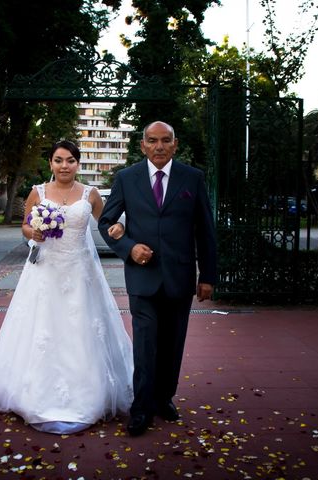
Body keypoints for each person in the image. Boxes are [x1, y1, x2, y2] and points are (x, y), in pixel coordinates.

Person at [0, 140, 133, 434]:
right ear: (50, 163)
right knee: (42, 327)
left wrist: (120, 229)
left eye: (70, 160)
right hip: (45, 271)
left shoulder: (90, 194)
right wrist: (35, 232)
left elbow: (105, 223)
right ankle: (34, 389)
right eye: (58, 160)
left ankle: (88, 390)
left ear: (78, 163)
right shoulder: (38, 192)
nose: (64, 165)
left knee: (80, 328)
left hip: (80, 273)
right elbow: (26, 226)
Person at [98, 121, 217, 437]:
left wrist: (207, 275)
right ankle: (141, 408)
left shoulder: (193, 178)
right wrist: (128, 247)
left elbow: (205, 230)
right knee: (146, 344)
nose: (160, 146)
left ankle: (165, 397)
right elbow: (106, 222)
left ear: (175, 145)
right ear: (143, 145)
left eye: (166, 141)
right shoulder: (126, 179)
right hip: (142, 278)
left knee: (173, 344)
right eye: (153, 140)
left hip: (179, 277)